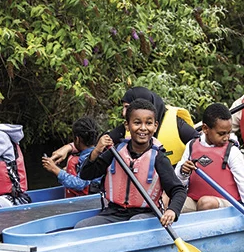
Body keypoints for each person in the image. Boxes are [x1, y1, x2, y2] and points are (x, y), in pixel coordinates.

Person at [75, 98, 187, 228]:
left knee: (134, 223)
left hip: (146, 214)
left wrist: (172, 210)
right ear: (127, 125)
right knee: (80, 227)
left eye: (148, 123)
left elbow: (178, 190)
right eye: (137, 123)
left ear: (155, 126)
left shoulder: (159, 158)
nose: (143, 128)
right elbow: (85, 175)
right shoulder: (115, 152)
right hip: (113, 213)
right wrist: (96, 152)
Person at [175, 103, 244, 233]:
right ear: (205, 129)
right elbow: (179, 181)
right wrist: (183, 172)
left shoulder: (232, 151)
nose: (226, 137)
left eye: (228, 133)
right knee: (171, 201)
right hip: (195, 201)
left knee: (205, 203)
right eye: (221, 133)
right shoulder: (191, 146)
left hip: (227, 204)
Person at [48, 87, 195, 165]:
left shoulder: (177, 124)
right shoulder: (126, 128)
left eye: (128, 107)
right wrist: (69, 147)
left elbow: (203, 145)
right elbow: (100, 143)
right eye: (124, 108)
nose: (124, 113)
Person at [42, 117, 102, 197]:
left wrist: (55, 169)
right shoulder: (98, 153)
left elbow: (80, 184)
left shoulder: (88, 158)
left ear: (77, 139)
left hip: (87, 201)